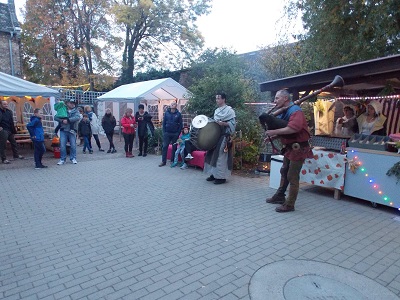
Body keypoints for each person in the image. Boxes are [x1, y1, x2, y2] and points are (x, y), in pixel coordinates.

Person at [262, 89, 313, 212]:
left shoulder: (296, 111)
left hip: (298, 148)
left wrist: (274, 132)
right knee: (284, 171)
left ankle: (290, 204)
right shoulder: (285, 111)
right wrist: (274, 137)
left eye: (277, 98)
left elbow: (293, 129)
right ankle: (280, 196)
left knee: (292, 176)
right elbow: (284, 127)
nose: (275, 101)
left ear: (285, 98)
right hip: (290, 148)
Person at [204, 93, 236, 184]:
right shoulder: (216, 111)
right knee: (212, 155)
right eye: (216, 98)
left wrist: (224, 124)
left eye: (218, 98)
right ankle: (213, 174)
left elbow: (233, 124)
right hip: (215, 136)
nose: (217, 100)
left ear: (223, 99)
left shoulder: (230, 111)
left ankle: (221, 177)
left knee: (220, 157)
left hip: (224, 136)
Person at [54, 98, 80, 165]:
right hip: (63, 129)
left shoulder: (76, 111)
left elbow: (77, 117)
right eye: (71, 103)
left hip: (72, 130)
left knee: (73, 145)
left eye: (73, 103)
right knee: (62, 145)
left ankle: (73, 158)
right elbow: (55, 117)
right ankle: (62, 159)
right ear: (67, 103)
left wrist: (68, 120)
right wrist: (62, 121)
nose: (72, 104)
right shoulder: (63, 109)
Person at [159, 101, 183, 167]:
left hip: (175, 133)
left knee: (174, 147)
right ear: (170, 105)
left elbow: (181, 124)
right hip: (167, 133)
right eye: (172, 104)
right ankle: (163, 161)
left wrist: (178, 133)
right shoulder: (166, 113)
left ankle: (172, 161)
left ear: (176, 106)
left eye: (174, 104)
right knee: (165, 146)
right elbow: (164, 123)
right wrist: (164, 132)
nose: (173, 105)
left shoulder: (178, 114)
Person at [0, 100, 24, 164]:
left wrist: (13, 130)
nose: (6, 105)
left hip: (10, 129)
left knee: (14, 143)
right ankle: (4, 159)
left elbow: (11, 121)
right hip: (3, 130)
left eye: (6, 104)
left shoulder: (9, 111)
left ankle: (16, 155)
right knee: (3, 145)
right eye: (4, 104)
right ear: (1, 105)